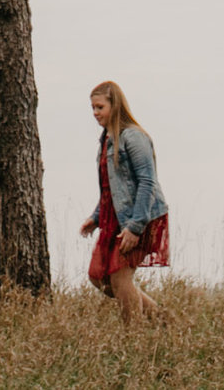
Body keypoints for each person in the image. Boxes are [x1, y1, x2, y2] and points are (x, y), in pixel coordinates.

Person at [78, 81, 169, 325]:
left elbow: (147, 182)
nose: (95, 113)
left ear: (115, 105)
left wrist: (135, 226)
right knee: (99, 278)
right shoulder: (106, 140)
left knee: (119, 280)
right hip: (115, 218)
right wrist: (96, 217)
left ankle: (132, 341)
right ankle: (166, 323)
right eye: (93, 108)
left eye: (100, 107)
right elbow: (111, 187)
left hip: (139, 216)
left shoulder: (133, 137)